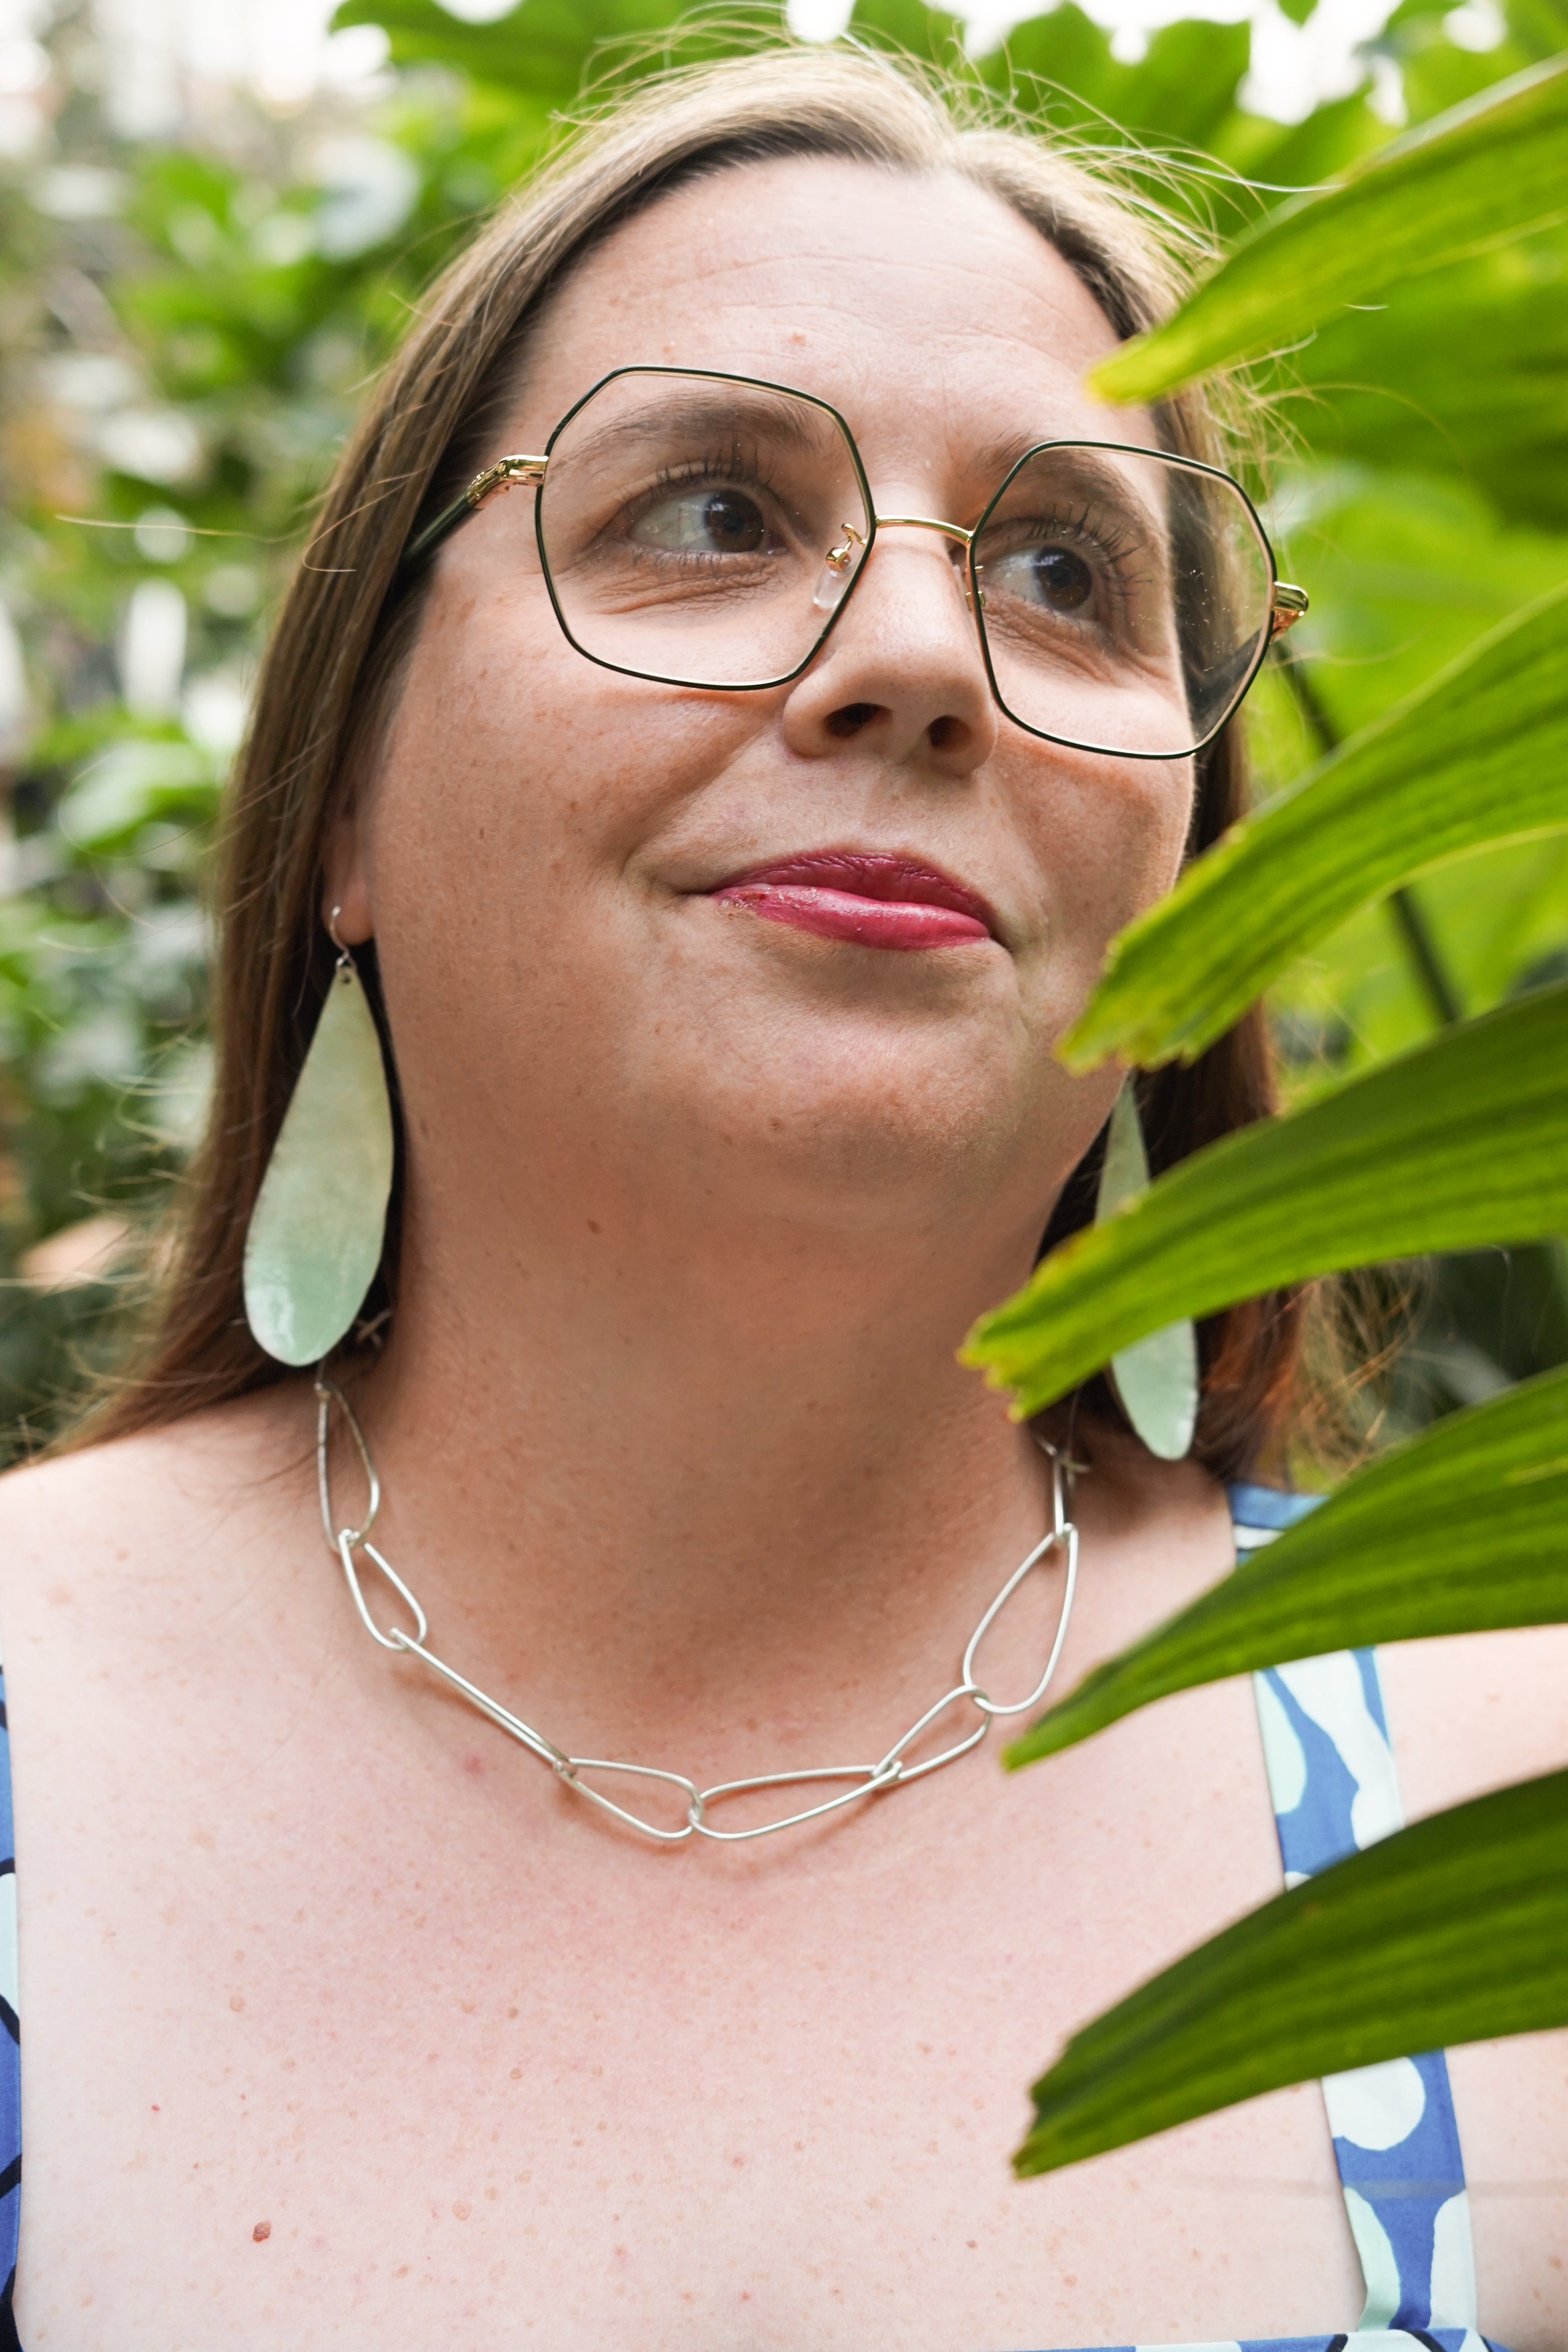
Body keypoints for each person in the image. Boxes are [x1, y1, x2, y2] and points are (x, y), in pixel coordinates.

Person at [0, 40, 1562, 2352]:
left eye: (1063, 571)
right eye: (714, 513)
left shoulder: (1508, 1818)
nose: (926, 661)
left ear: (1191, 908)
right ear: (343, 802)